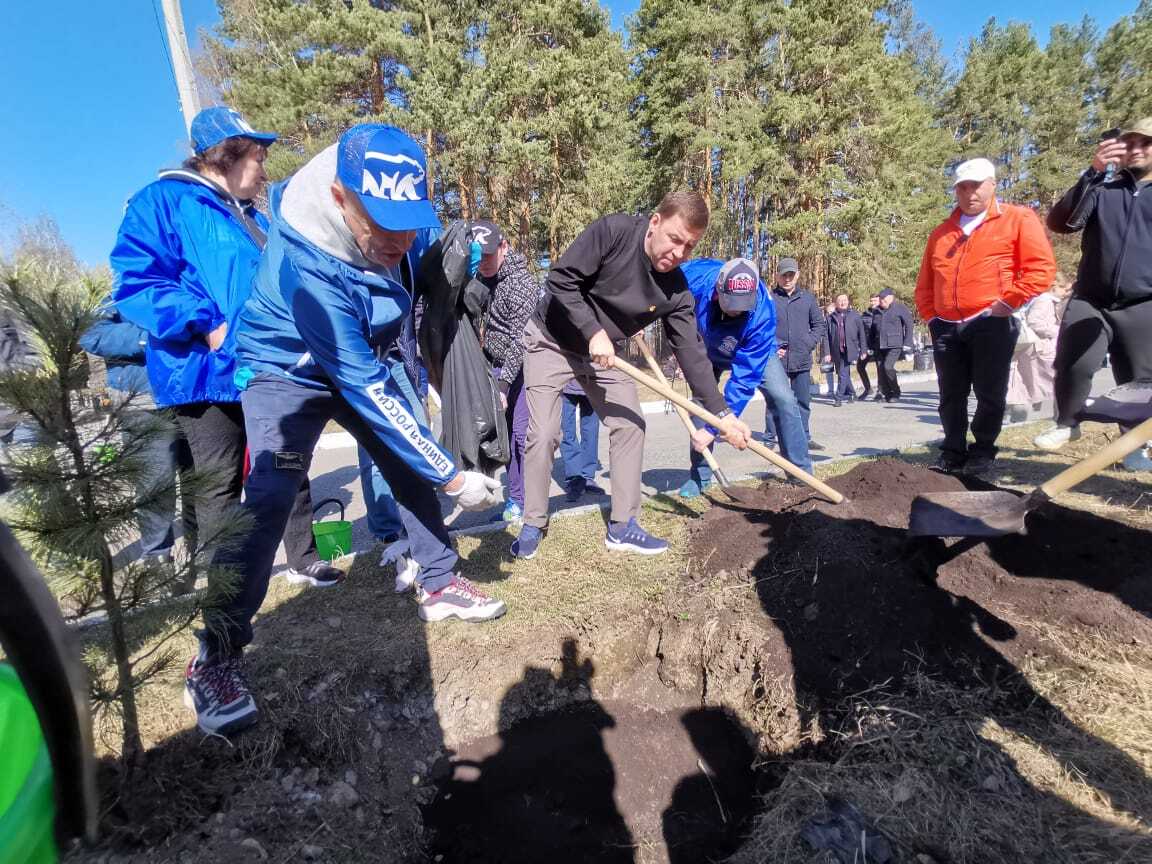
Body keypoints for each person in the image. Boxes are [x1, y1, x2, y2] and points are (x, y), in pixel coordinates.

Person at [185, 124, 506, 736]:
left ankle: (438, 583)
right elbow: (358, 378)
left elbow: (424, 286)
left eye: (406, 225)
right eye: (381, 227)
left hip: (365, 358)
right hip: (286, 372)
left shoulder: (402, 216)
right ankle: (217, 656)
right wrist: (451, 473)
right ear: (339, 196)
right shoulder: (308, 262)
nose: (398, 240)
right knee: (271, 496)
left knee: (404, 459)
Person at [110, 106, 340, 590]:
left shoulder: (253, 216)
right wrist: (206, 323)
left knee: (287, 463)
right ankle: (224, 583)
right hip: (204, 371)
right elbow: (138, 283)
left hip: (268, 364)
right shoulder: (163, 201)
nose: (263, 170)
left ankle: (304, 559)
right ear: (226, 155)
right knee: (219, 482)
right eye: (258, 157)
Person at [511, 191, 752, 560]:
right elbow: (560, 280)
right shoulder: (614, 232)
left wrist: (724, 415)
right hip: (551, 339)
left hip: (602, 358)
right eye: (675, 239)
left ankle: (623, 526)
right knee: (543, 432)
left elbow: (692, 354)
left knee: (631, 423)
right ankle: (533, 522)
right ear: (655, 222)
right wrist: (594, 331)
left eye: (689, 247)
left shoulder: (676, 291)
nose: (679, 253)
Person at [915, 157, 1056, 475]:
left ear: (993, 184)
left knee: (989, 392)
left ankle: (982, 451)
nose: (969, 193)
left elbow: (1040, 269)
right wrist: (931, 317)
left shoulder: (1017, 219)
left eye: (976, 185)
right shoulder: (941, 233)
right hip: (946, 325)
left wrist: (1007, 303)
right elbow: (925, 282)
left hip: (991, 321)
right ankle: (952, 451)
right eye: (962, 187)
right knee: (950, 394)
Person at [1034, 119, 1152, 471]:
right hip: (1091, 297)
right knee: (1074, 362)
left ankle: (1132, 446)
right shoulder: (1104, 188)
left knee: (1138, 380)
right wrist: (1093, 171)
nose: (1136, 149)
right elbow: (1062, 222)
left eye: (1145, 143)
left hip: (1143, 302)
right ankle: (1066, 424)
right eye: (1129, 142)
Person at [79, 302, 195, 588]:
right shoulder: (121, 288)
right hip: (144, 400)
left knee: (204, 479)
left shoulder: (189, 274)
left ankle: (204, 552)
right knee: (155, 483)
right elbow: (92, 335)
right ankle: (158, 558)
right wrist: (150, 337)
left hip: (196, 392)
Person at [677, 258, 813, 499]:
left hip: (751, 351)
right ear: (719, 289)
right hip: (706, 349)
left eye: (743, 305)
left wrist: (715, 427)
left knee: (783, 398)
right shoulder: (696, 277)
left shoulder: (762, 311)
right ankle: (700, 475)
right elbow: (657, 285)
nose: (737, 310)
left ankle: (800, 472)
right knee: (700, 405)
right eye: (731, 303)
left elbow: (743, 379)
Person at [475, 220, 544, 522]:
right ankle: (515, 499)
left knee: (521, 435)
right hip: (495, 367)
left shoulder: (521, 284)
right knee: (504, 439)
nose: (484, 262)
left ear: (504, 246)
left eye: (489, 255)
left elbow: (521, 340)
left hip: (525, 369)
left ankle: (528, 503)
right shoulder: (481, 280)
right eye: (479, 256)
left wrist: (503, 384)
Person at [761, 258, 824, 450]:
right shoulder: (769, 299)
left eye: (791, 275)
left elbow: (819, 325)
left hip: (802, 358)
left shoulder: (807, 299)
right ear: (777, 276)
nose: (787, 278)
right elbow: (762, 327)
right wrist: (773, 347)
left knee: (803, 400)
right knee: (774, 400)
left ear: (797, 275)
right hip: (776, 360)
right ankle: (770, 438)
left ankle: (803, 436)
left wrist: (808, 343)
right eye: (783, 275)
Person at [1005, 275, 1069, 422]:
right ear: (1055, 285)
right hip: (1038, 349)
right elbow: (1035, 322)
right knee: (1044, 383)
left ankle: (1019, 414)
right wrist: (1058, 330)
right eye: (1064, 288)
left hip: (1039, 348)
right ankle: (1022, 416)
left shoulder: (1046, 300)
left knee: (1032, 385)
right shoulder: (1044, 300)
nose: (1065, 292)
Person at [560, 381, 605, 502]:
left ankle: (587, 477)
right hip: (564, 382)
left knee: (591, 430)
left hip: (590, 382)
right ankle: (574, 478)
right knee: (566, 430)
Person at [822, 294, 868, 406]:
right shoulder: (830, 318)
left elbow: (861, 334)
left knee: (842, 373)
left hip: (849, 349)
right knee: (843, 373)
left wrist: (863, 350)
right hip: (836, 351)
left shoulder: (855, 316)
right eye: (840, 301)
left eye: (845, 300)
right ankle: (852, 393)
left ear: (848, 302)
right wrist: (827, 352)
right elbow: (826, 337)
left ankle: (838, 397)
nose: (843, 302)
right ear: (835, 303)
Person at [871, 288, 914, 403]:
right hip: (879, 345)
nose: (881, 302)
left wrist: (908, 343)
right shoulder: (876, 311)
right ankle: (887, 394)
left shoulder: (900, 308)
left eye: (884, 300)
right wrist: (870, 345)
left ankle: (896, 391)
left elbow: (909, 325)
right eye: (880, 300)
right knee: (881, 369)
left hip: (895, 344)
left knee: (887, 366)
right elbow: (873, 329)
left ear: (891, 298)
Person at [858, 294, 880, 399]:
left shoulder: (884, 313)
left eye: (875, 300)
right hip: (867, 346)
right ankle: (868, 389)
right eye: (871, 300)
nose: (873, 302)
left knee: (880, 368)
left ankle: (880, 391)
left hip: (880, 345)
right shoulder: (865, 315)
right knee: (860, 366)